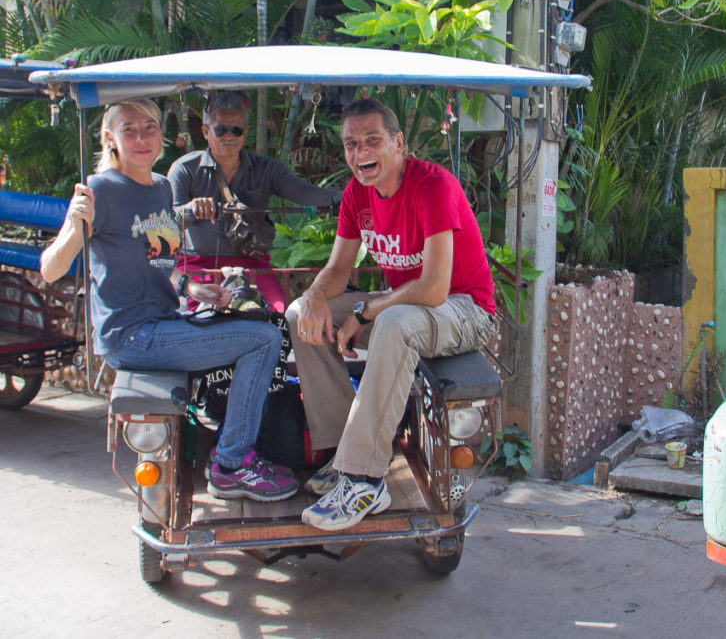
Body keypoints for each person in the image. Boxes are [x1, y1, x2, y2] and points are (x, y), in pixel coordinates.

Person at [40, 99, 297, 502]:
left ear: (163, 134)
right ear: (110, 138)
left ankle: (228, 445)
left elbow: (162, 261)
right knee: (262, 339)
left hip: (165, 322)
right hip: (132, 335)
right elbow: (50, 270)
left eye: (150, 127)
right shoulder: (101, 190)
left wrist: (193, 290)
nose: (141, 138)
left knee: (262, 325)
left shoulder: (160, 187)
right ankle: (232, 463)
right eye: (129, 130)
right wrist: (75, 227)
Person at [286, 98, 497, 531]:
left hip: (465, 308)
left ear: (398, 143)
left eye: (372, 140)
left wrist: (366, 312)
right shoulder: (356, 194)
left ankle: (365, 479)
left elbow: (435, 288)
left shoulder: (432, 186)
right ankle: (341, 454)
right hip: (408, 304)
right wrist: (312, 297)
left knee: (393, 322)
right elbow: (338, 271)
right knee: (298, 315)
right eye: (350, 143)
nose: (360, 152)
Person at [169, 91, 342, 312]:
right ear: (205, 131)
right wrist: (190, 210)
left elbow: (308, 194)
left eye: (237, 130)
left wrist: (354, 198)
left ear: (246, 131)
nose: (229, 136)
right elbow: (167, 224)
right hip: (198, 266)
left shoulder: (266, 169)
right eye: (221, 130)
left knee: (275, 316)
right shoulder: (184, 169)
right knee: (202, 319)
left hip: (251, 266)